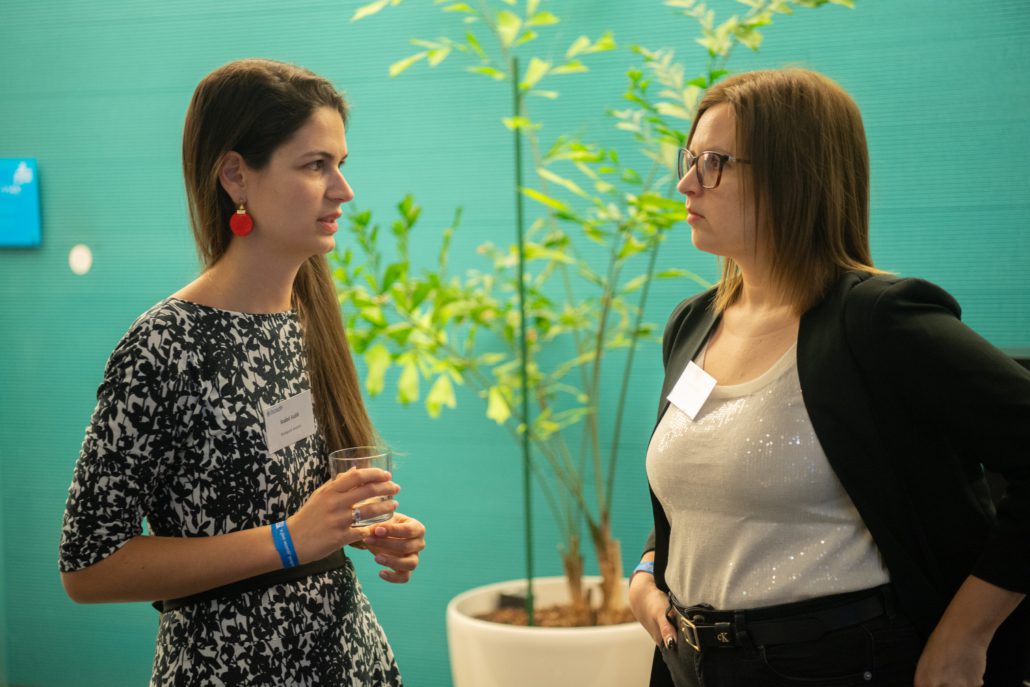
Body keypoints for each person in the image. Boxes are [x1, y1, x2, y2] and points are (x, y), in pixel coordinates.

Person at [628, 68, 1030, 687]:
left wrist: (967, 634)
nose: (686, 183)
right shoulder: (693, 322)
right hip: (692, 662)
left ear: (792, 175)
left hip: (835, 663)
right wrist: (649, 565)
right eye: (690, 159)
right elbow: (704, 479)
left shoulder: (877, 320)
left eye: (714, 163)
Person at [59, 58, 426, 686]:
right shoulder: (164, 345)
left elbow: (292, 512)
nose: (343, 190)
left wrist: (360, 530)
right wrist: (290, 540)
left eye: (341, 163)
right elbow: (87, 567)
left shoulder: (306, 317)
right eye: (316, 165)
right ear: (236, 176)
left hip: (350, 661)